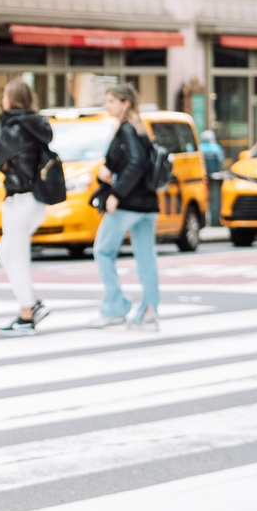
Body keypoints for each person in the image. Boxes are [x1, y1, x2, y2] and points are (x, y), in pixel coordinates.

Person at [0, 78, 57, 334]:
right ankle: (33, 303)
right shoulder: (36, 125)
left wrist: (3, 162)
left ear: (11, 99)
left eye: (5, 95)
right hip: (35, 200)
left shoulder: (15, 127)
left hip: (20, 200)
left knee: (18, 258)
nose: (2, 99)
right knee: (6, 254)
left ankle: (26, 315)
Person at [93, 84, 164, 331]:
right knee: (146, 259)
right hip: (148, 204)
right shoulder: (141, 130)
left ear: (126, 104)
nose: (107, 105)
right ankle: (149, 311)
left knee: (103, 251)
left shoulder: (126, 129)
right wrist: (110, 174)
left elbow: (136, 163)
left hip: (128, 204)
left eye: (111, 101)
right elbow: (137, 164)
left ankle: (115, 308)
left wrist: (116, 193)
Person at [199, 127, 227, 225]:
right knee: (215, 200)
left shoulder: (199, 148)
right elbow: (221, 161)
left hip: (201, 178)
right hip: (215, 178)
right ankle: (215, 221)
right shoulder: (216, 148)